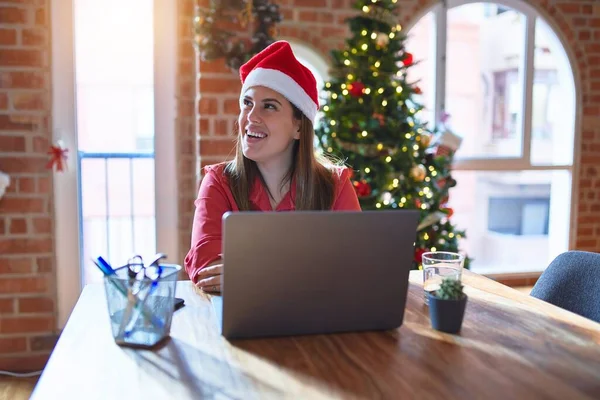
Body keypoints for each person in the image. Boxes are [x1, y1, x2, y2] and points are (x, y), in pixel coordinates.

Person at [184, 40, 361, 293]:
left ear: (299, 126)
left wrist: (246, 273)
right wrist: (309, 272)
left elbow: (354, 265)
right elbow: (207, 266)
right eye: (247, 103)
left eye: (269, 106)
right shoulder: (218, 181)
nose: (251, 117)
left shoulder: (334, 185)